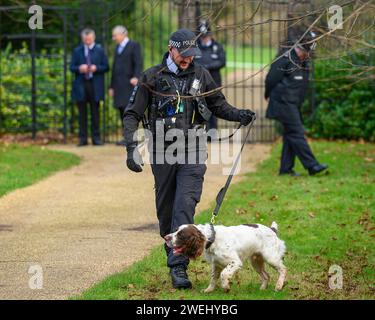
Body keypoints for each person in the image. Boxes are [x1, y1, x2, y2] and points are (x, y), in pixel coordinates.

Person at [123, 28, 255, 289]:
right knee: (166, 212)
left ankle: (178, 268)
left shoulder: (201, 74)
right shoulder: (151, 77)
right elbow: (131, 114)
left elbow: (218, 105)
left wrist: (239, 114)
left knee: (185, 204)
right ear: (171, 49)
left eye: (191, 55)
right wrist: (131, 147)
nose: (188, 60)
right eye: (184, 55)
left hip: (193, 148)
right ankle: (173, 249)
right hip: (162, 149)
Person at [265, 29, 328, 176]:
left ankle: (285, 169)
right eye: (307, 52)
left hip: (293, 103)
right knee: (297, 133)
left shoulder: (304, 61)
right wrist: (267, 94)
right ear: (300, 48)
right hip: (283, 102)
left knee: (290, 135)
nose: (308, 56)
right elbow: (271, 78)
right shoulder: (285, 58)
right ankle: (312, 166)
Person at [70, 28, 109, 146]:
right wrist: (79, 68)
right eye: (85, 39)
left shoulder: (100, 50)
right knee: (82, 113)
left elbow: (106, 67)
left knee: (95, 113)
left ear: (93, 38)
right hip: (81, 85)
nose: (87, 41)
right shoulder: (77, 51)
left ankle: (96, 138)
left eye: (89, 39)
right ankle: (82, 139)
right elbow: (71, 67)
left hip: (95, 84)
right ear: (83, 39)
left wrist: (96, 68)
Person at [109, 25, 143, 146]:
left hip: (129, 84)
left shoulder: (134, 45)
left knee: (129, 111)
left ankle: (132, 137)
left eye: (115, 35)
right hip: (119, 85)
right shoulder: (118, 47)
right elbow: (114, 68)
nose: (113, 38)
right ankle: (126, 136)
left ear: (123, 34)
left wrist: (136, 76)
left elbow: (138, 62)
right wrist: (111, 86)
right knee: (120, 109)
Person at [195, 21, 226, 132]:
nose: (204, 39)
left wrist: (208, 66)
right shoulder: (195, 47)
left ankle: (212, 131)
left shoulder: (217, 47)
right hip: (198, 82)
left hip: (214, 81)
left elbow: (222, 61)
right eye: (202, 37)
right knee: (200, 107)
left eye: (206, 36)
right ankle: (201, 130)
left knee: (214, 105)